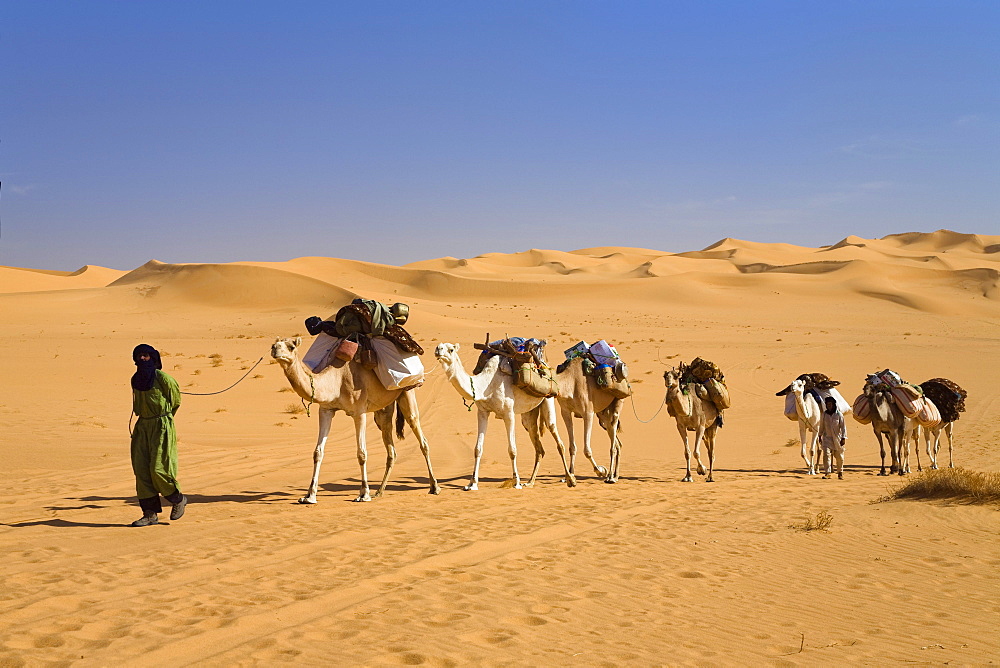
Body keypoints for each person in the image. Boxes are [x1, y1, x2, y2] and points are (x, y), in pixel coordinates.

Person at [129, 344, 187, 526]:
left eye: (146, 356)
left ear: (153, 357)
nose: (142, 359)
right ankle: (149, 513)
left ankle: (177, 499)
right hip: (142, 426)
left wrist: (165, 420)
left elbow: (175, 400)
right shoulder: (136, 379)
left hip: (161, 425)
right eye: (139, 356)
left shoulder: (163, 378)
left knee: (158, 468)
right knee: (142, 470)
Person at [818, 396, 847, 479]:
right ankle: (827, 473)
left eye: (830, 404)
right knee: (826, 455)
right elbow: (822, 426)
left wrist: (843, 438)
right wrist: (820, 435)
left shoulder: (839, 414)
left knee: (839, 457)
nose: (829, 406)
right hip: (827, 438)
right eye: (827, 404)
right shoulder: (824, 415)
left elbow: (843, 427)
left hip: (838, 439)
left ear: (834, 405)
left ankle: (840, 472)